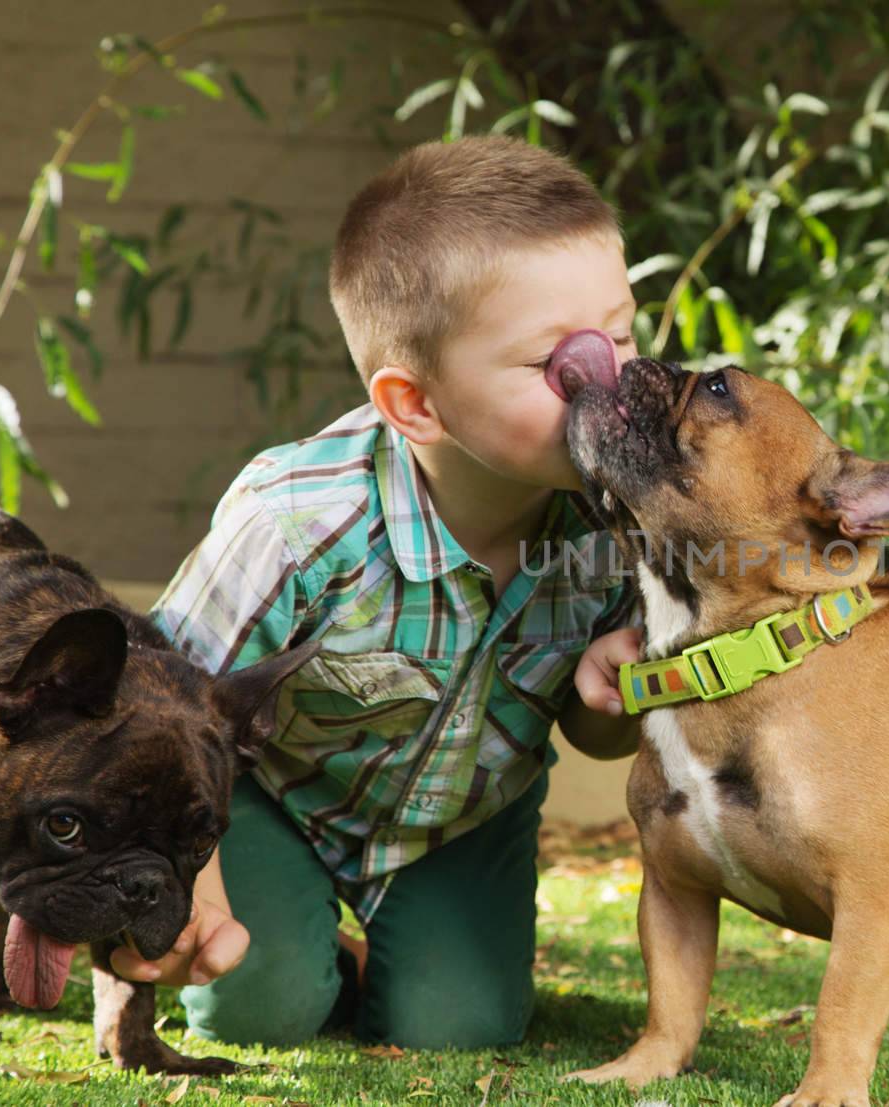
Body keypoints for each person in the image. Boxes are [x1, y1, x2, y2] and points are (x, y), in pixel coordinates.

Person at [116, 135, 644, 1049]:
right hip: (267, 794)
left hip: (463, 816)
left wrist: (627, 686)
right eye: (558, 366)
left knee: (462, 1029)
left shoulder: (622, 520)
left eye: (625, 335)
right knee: (256, 1009)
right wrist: (186, 889)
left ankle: (388, 961)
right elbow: (162, 706)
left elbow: (598, 730)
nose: (610, 382)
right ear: (416, 405)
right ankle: (294, 950)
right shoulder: (296, 521)